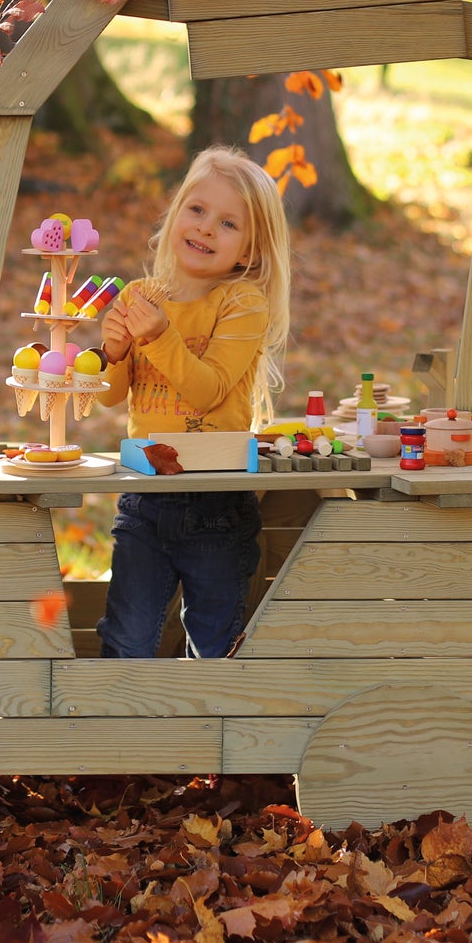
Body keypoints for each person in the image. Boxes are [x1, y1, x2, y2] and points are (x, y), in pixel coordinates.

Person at [95, 146, 291, 658]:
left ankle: (210, 733)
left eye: (228, 223)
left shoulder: (242, 302)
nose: (205, 228)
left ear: (248, 251)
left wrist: (158, 338)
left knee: (214, 642)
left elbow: (208, 391)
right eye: (197, 209)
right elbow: (111, 397)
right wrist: (113, 351)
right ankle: (111, 734)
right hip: (145, 495)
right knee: (127, 634)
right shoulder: (142, 294)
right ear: (177, 212)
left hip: (216, 500)